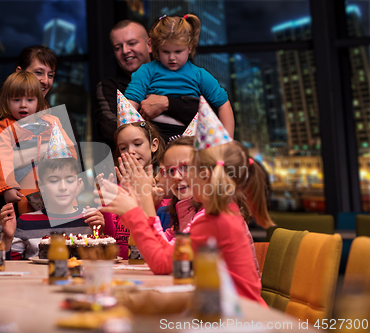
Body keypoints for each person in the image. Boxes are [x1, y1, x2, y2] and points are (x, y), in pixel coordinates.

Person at [97, 105, 272, 305]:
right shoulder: (214, 213)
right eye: (170, 170)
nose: (178, 177)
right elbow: (166, 254)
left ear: (205, 174)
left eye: (187, 168)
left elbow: (161, 262)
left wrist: (138, 207)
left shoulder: (215, 219)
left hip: (240, 318)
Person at [0, 45, 80, 219]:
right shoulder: (1, 121)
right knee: (30, 225)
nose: (45, 81)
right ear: (19, 73)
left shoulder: (54, 119)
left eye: (51, 75)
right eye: (39, 72)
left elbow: (72, 155)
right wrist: (8, 187)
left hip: (60, 190)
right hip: (25, 192)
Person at [124, 14, 234, 138]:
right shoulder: (146, 71)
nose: (172, 58)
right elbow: (130, 105)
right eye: (165, 51)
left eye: (178, 51)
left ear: (190, 48)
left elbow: (224, 105)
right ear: (156, 49)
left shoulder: (199, 75)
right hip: (154, 134)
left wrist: (227, 140)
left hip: (190, 135)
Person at [95, 19, 200, 148]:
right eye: (118, 47)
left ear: (149, 45)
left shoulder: (178, 74)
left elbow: (205, 113)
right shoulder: (110, 87)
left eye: (132, 43)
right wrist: (168, 144)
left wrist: (167, 104)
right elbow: (111, 130)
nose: (125, 51)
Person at [7, 125, 104, 259]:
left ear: (78, 184)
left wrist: (100, 230)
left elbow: (100, 260)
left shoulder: (89, 220)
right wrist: (7, 238)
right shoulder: (25, 222)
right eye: (54, 181)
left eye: (69, 180)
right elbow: (12, 265)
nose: (63, 187)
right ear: (40, 186)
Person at [112, 102, 165, 258]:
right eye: (123, 148)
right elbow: (111, 238)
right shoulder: (116, 190)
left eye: (137, 144)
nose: (130, 151)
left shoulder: (166, 189)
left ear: (153, 145)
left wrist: (151, 201)